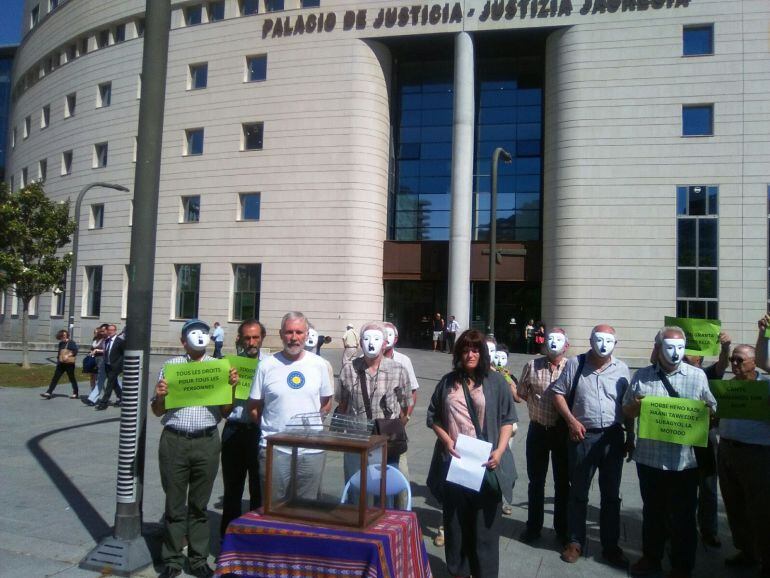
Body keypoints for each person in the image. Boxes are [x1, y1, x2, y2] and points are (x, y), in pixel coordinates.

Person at [623, 326, 716, 578]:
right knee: (652, 512)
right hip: (650, 458)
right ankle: (651, 557)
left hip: (684, 462)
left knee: (684, 516)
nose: (675, 353)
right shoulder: (642, 376)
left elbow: (712, 409)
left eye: (680, 348)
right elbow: (627, 411)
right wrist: (635, 406)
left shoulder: (697, 376)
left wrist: (707, 411)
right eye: (669, 347)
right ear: (658, 348)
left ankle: (681, 565)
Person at [151, 319, 238, 578]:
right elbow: (158, 411)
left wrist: (231, 390)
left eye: (203, 333)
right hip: (174, 440)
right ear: (183, 341)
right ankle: (172, 559)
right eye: (192, 333)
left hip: (207, 441)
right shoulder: (170, 367)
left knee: (199, 505)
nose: (199, 337)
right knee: (174, 503)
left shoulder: (218, 367)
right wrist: (161, 395)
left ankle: (198, 559)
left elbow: (225, 412)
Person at [426, 329, 517, 578]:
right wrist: (446, 440)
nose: (470, 354)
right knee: (455, 526)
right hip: (455, 463)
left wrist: (499, 451)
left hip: (487, 463)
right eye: (465, 349)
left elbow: (508, 419)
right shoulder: (448, 381)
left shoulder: (496, 381)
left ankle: (484, 573)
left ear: (483, 352)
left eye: (475, 349)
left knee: (484, 530)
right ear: (458, 353)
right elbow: (433, 416)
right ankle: (458, 570)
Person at [549, 324, 633, 568]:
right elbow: (557, 393)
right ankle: (575, 541)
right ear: (590, 340)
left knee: (610, 495)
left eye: (609, 341)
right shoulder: (575, 364)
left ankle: (610, 545)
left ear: (615, 344)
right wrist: (571, 421)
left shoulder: (622, 369)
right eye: (599, 339)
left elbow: (628, 407)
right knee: (578, 491)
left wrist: (631, 437)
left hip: (612, 437)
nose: (603, 345)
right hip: (582, 436)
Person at [249, 312, 333, 503]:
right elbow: (254, 406)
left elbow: (326, 403)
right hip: (275, 450)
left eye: (298, 332)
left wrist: (310, 427)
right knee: (273, 508)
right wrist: (272, 427)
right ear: (280, 334)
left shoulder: (319, 365)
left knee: (307, 510)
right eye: (288, 332)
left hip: (311, 450)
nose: (293, 338)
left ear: (307, 334)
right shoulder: (266, 365)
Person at [717, 332, 770, 577]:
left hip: (756, 454)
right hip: (727, 450)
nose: (735, 365)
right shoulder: (727, 387)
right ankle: (746, 551)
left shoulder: (765, 387)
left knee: (760, 509)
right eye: (733, 361)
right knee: (734, 505)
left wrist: (763, 335)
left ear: (753, 362)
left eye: (740, 360)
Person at [517, 327, 570, 544]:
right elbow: (521, 393)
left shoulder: (573, 367)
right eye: (550, 339)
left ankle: (562, 529)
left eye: (559, 340)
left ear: (567, 345)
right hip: (538, 429)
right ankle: (533, 527)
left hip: (562, 432)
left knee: (563, 482)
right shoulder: (532, 365)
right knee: (536, 482)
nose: (554, 344)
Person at [338, 322, 411, 476]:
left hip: (386, 441)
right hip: (356, 440)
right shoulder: (348, 370)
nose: (371, 343)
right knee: (357, 489)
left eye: (377, 339)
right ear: (360, 343)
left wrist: (395, 427)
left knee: (386, 488)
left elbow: (405, 406)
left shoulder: (398, 370)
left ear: (385, 344)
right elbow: (342, 406)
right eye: (366, 339)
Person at [681, 330, 731, 549]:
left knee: (708, 485)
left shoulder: (709, 373)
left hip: (706, 437)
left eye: (690, 353)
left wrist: (726, 347)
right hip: (682, 436)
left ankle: (709, 530)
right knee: (682, 485)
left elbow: (721, 364)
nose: (685, 356)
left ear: (699, 358)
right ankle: (680, 527)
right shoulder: (676, 375)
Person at [220, 319, 266, 539]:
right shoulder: (228, 366)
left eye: (255, 337)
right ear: (239, 339)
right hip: (234, 429)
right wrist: (231, 386)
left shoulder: (269, 365)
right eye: (247, 337)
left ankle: (255, 538)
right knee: (232, 488)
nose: (251, 342)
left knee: (259, 488)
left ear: (262, 339)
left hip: (259, 431)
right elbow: (224, 411)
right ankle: (228, 537)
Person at [41, 329, 79, 399]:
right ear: (60, 337)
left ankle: (75, 393)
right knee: (55, 378)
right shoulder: (61, 343)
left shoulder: (71, 342)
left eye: (65, 335)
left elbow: (75, 351)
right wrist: (58, 359)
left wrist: (68, 355)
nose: (64, 337)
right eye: (62, 336)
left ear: (67, 335)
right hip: (61, 364)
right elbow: (59, 353)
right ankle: (49, 392)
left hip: (69, 364)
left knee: (71, 378)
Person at [95, 324, 125, 410]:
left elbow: (124, 354)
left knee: (109, 384)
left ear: (115, 331)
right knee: (114, 383)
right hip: (107, 365)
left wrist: (119, 364)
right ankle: (122, 398)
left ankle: (103, 403)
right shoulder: (107, 340)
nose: (110, 331)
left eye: (112, 330)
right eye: (109, 330)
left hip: (115, 366)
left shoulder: (120, 341)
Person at [83, 323, 110, 406]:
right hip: (94, 360)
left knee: (104, 379)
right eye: (94, 332)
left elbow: (106, 350)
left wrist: (97, 351)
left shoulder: (104, 340)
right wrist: (92, 352)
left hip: (101, 360)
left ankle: (105, 396)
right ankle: (93, 395)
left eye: (96, 332)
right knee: (94, 377)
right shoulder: (95, 339)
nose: (95, 333)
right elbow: (92, 348)